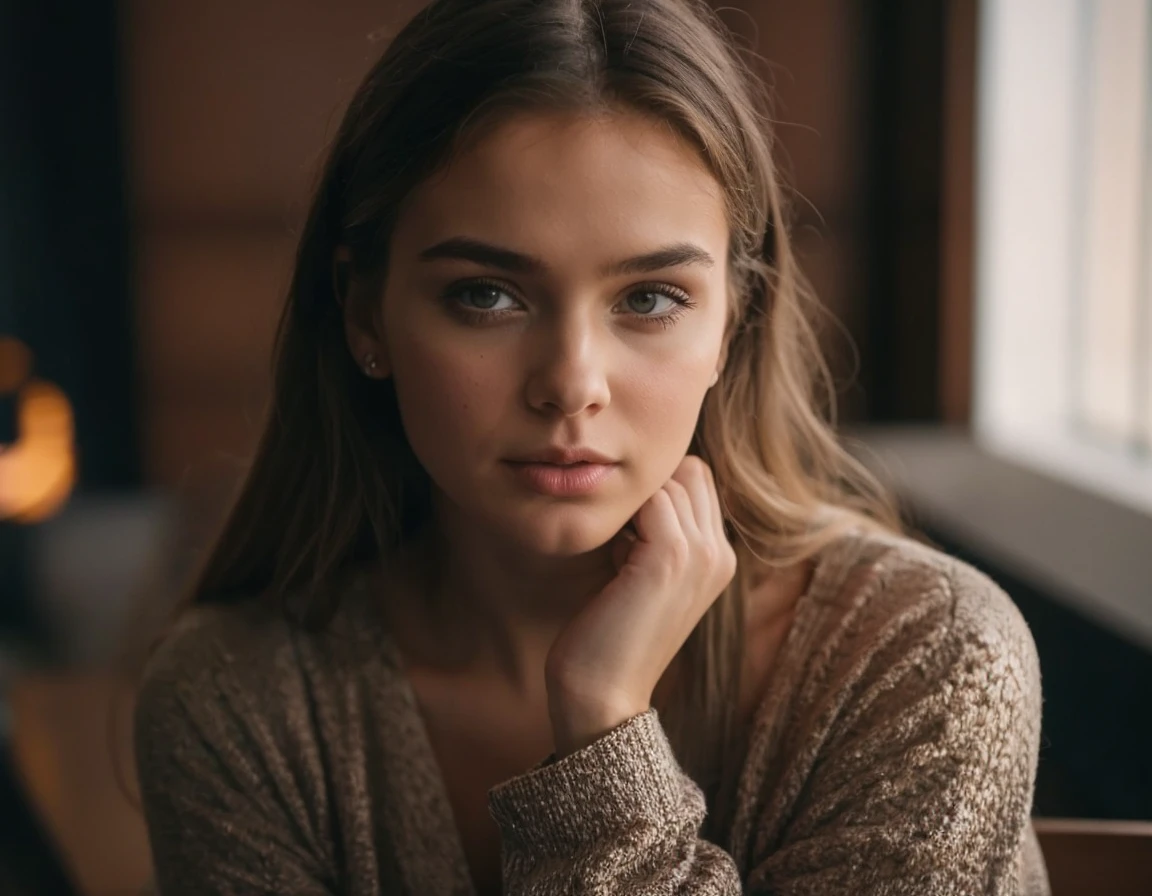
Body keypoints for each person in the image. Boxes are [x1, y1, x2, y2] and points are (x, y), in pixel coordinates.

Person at [132, 0, 1050, 893]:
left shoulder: (923, 660)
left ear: (734, 322)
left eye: (649, 298)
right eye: (487, 294)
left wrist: (604, 726)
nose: (572, 383)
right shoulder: (237, 706)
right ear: (364, 309)